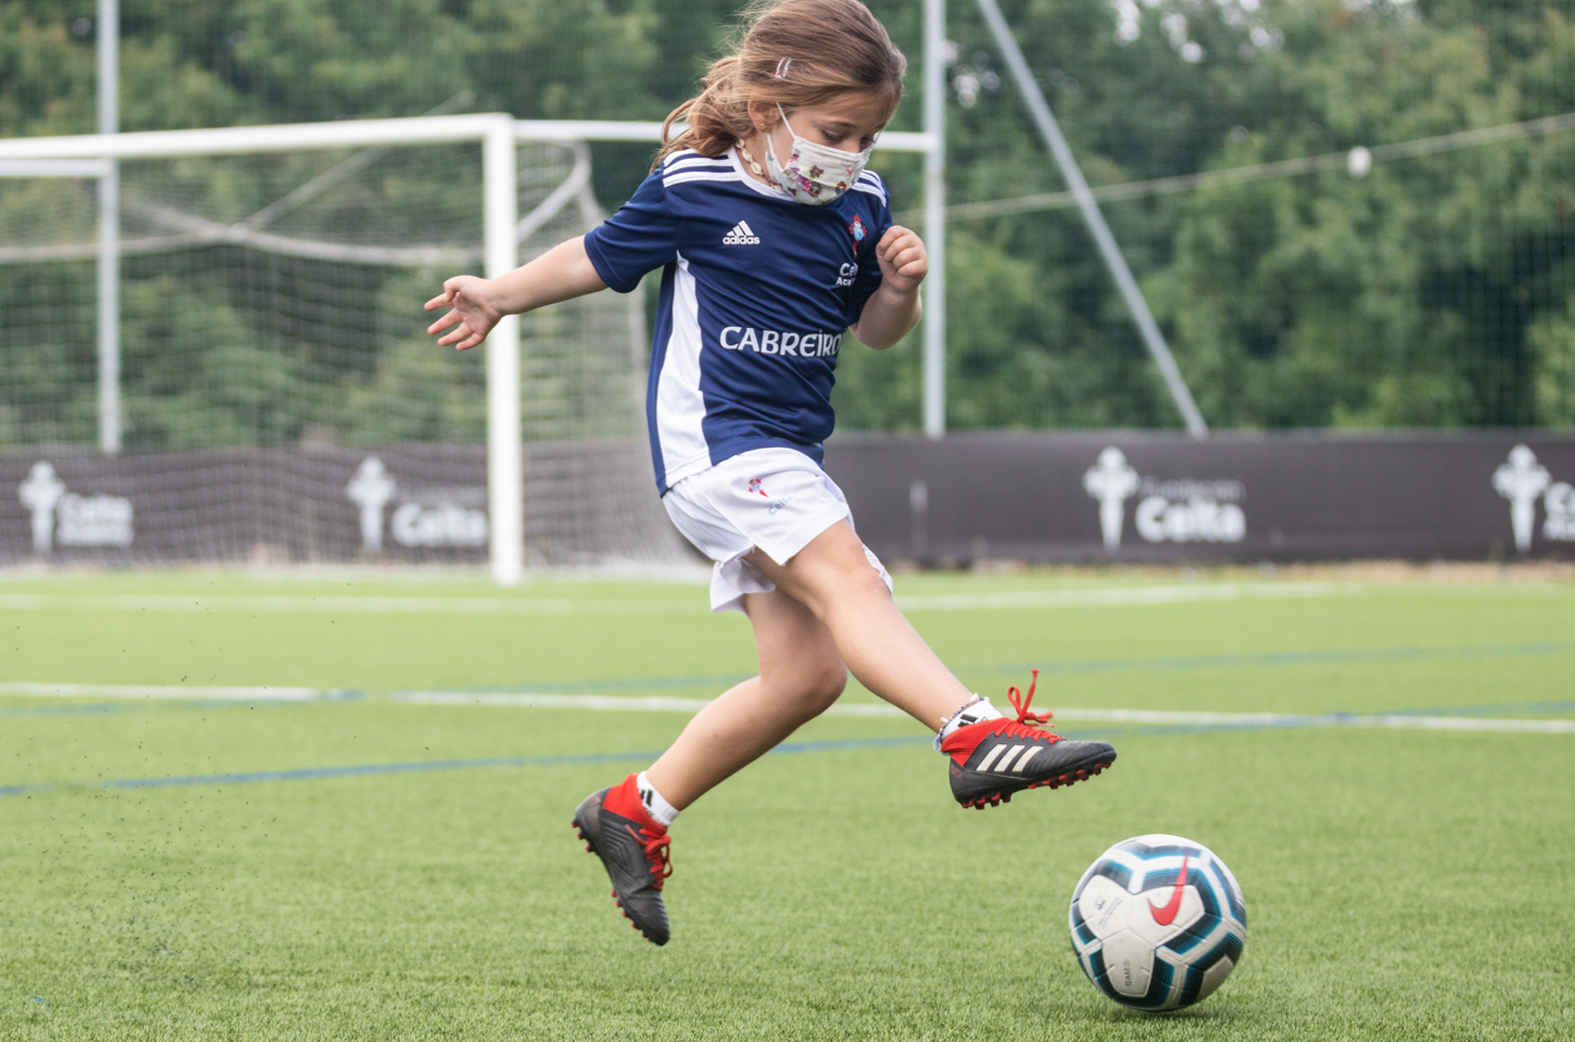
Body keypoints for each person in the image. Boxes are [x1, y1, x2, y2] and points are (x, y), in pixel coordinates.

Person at [425, 0, 1116, 947]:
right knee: (848, 578)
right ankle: (971, 732)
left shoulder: (861, 207)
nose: (851, 153)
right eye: (836, 133)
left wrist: (902, 290)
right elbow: (594, 257)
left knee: (806, 676)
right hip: (717, 447)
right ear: (763, 109)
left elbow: (871, 333)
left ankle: (636, 808)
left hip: (782, 458)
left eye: (869, 136)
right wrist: (498, 294)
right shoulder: (692, 187)